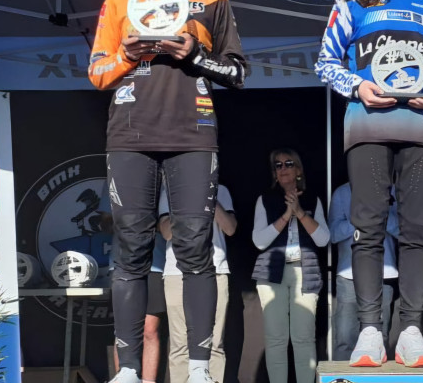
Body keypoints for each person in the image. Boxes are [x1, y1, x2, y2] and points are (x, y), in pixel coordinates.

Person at [88, 0, 247, 383]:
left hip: (193, 135)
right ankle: (129, 370)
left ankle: (199, 368)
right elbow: (97, 72)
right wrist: (127, 54)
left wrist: (195, 54)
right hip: (130, 135)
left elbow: (237, 72)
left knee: (195, 247)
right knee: (131, 250)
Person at [315, 0, 423, 368]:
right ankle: (370, 329)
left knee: (418, 229)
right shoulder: (351, 0)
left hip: (420, 125)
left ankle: (410, 329)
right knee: (368, 227)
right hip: (368, 124)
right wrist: (358, 86)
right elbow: (326, 63)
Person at [252, 149, 330, 383]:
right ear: (274, 173)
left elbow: (323, 239)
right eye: (278, 165)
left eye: (288, 163)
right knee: (276, 339)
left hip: (305, 272)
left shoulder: (312, 199)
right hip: (272, 274)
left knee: (303, 338)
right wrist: (287, 214)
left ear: (298, 170)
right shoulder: (265, 199)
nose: (283, 168)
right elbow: (259, 241)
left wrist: (300, 212)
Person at [159, 184, 236, 383]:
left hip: (215, 269)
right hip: (177, 272)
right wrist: (185, 198)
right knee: (180, 344)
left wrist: (208, 196)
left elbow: (230, 228)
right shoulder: (170, 191)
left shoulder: (221, 190)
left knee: (214, 342)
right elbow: (166, 232)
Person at [98, 181, 168, 383]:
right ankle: (124, 377)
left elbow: (170, 223)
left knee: (150, 329)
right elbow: (104, 222)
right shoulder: (115, 179)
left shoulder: (164, 180)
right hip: (121, 263)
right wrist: (126, 221)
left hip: (155, 262)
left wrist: (147, 221)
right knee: (124, 328)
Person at [328, 182, 399, 360]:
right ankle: (343, 375)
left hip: (384, 273)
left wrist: (379, 215)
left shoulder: (392, 190)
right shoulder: (342, 192)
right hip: (348, 275)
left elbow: (403, 229)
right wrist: (359, 220)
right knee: (345, 338)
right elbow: (333, 234)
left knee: (379, 338)